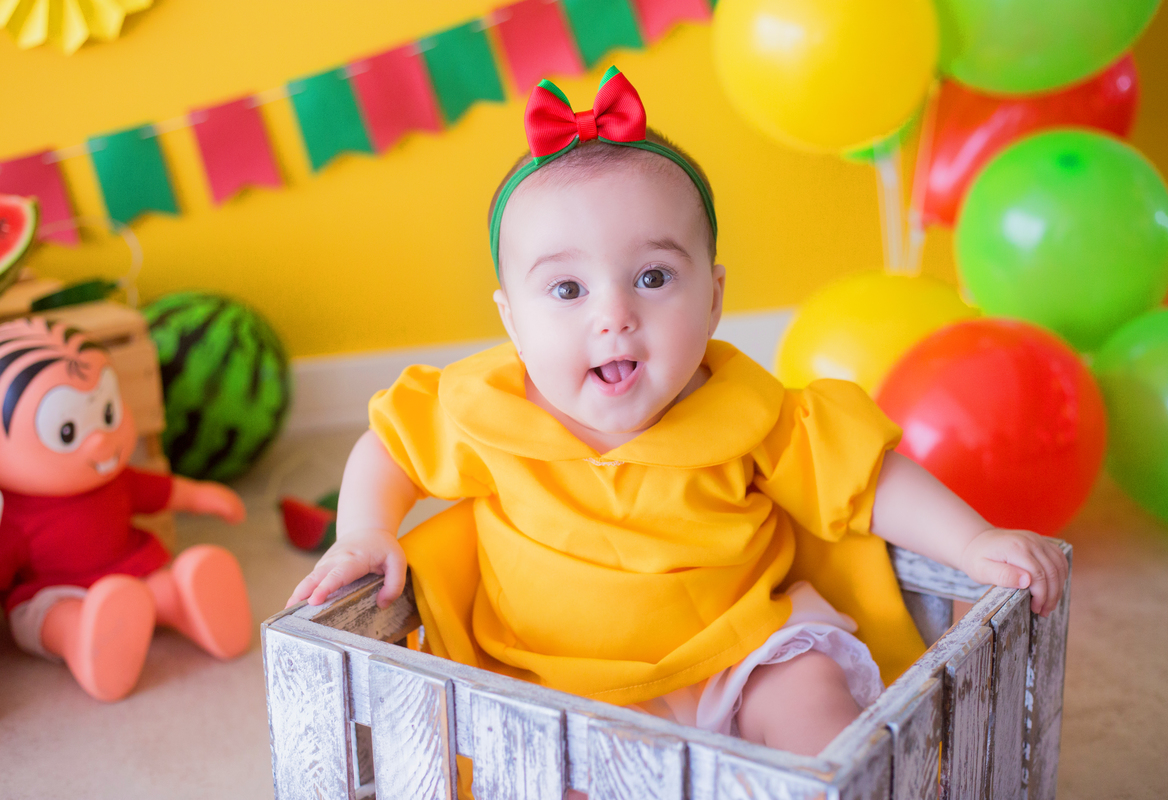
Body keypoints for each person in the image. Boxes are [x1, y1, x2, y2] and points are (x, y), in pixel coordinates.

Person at [288, 68, 1068, 757]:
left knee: (813, 705)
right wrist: (366, 530)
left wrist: (973, 540)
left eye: (654, 277)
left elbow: (869, 475)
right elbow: (389, 446)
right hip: (554, 687)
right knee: (535, 766)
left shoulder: (750, 409)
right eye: (567, 290)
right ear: (512, 322)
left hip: (747, 652)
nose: (614, 315)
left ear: (716, 299)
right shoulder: (481, 408)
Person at [0, 317, 252, 702]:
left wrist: (203, 496)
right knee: (53, 619)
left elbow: (167, 492)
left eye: (107, 414)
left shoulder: (119, 481)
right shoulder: (13, 516)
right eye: (68, 431)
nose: (101, 439)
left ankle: (188, 597)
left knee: (156, 588)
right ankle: (85, 644)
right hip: (52, 591)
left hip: (129, 572)